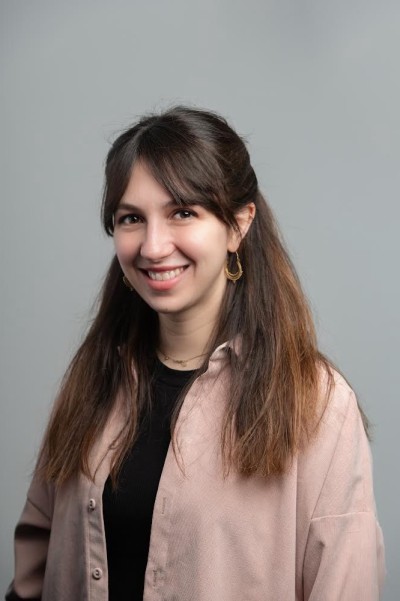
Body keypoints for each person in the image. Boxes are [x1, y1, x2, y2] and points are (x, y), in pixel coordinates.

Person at [6, 106, 385, 601]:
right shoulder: (95, 381)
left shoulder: (315, 403)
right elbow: (36, 565)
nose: (153, 246)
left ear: (238, 225)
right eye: (131, 218)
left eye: (183, 212)